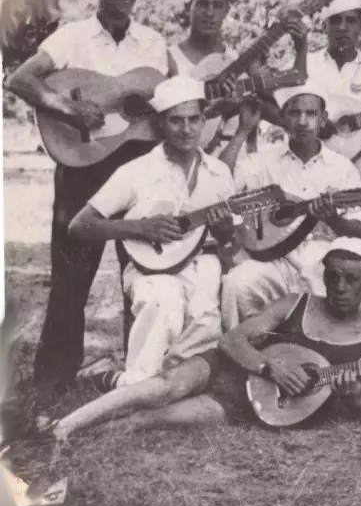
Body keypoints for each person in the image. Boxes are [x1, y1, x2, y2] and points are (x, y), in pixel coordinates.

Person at [4, 0, 168, 397]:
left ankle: (140, 374)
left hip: (136, 166)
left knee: (141, 268)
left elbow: (163, 102)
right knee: (71, 274)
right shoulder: (71, 37)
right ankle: (53, 380)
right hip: (82, 164)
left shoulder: (153, 43)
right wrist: (67, 109)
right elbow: (19, 80)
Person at [47, 240, 361, 439]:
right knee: (161, 388)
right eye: (333, 277)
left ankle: (75, 436)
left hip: (245, 406)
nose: (341, 287)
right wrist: (270, 366)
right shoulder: (296, 303)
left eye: (351, 279)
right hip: (229, 367)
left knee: (152, 420)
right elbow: (231, 340)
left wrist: (353, 399)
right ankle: (61, 427)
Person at [64, 76, 237, 391]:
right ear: (161, 124)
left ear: (204, 121)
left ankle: (139, 381)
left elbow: (229, 245)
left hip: (204, 265)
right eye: (176, 121)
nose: (186, 129)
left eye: (194, 119)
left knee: (203, 318)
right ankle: (134, 385)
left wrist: (225, 235)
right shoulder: (137, 171)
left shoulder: (219, 173)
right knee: (161, 300)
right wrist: (139, 227)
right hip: (150, 267)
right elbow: (79, 225)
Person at [220, 81, 361, 330]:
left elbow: (360, 230)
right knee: (238, 282)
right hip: (272, 261)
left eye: (311, 114)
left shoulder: (342, 168)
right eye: (294, 112)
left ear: (323, 119)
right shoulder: (260, 162)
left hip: (325, 263)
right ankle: (240, 351)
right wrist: (241, 131)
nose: (302, 121)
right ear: (282, 117)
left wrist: (333, 219)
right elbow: (221, 183)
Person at [167, 0, 308, 166]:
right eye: (201, 4)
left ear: (226, 10)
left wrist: (301, 49)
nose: (210, 13)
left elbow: (282, 103)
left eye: (217, 6)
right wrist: (216, 109)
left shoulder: (239, 61)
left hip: (233, 163)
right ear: (187, 8)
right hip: (182, 163)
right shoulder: (170, 58)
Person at [291, 0, 361, 183]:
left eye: (351, 21)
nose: (343, 27)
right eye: (335, 20)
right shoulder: (305, 63)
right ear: (324, 26)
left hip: (355, 171)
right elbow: (279, 104)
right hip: (302, 168)